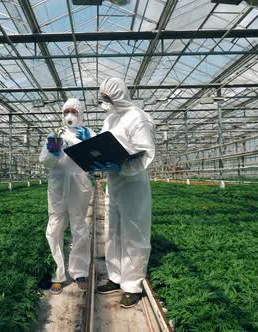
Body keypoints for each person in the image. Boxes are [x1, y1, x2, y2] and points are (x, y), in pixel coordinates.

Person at [93, 77, 155, 309]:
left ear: (119, 95)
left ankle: (132, 285)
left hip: (133, 183)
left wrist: (122, 164)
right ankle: (115, 276)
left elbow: (145, 152)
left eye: (108, 98)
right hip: (114, 182)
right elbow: (101, 144)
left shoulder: (138, 117)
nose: (105, 102)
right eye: (103, 98)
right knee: (114, 230)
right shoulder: (110, 119)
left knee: (134, 232)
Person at [39, 98, 95, 294]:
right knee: (54, 228)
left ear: (80, 114)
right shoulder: (55, 134)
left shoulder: (88, 134)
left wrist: (89, 144)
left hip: (80, 185)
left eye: (73, 111)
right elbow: (44, 161)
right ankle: (58, 273)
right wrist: (53, 152)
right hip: (58, 185)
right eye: (66, 111)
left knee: (79, 227)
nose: (69, 115)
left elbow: (98, 157)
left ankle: (79, 272)